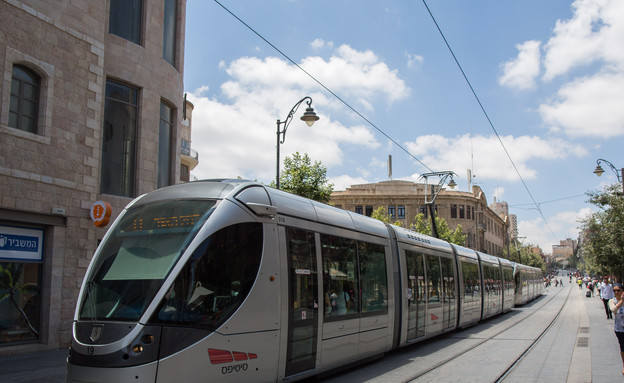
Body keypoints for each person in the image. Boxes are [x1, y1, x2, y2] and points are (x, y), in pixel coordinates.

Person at [609, 283, 624, 375]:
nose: (616, 292)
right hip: (619, 329)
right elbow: (613, 310)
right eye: (614, 290)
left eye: (618, 290)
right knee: (623, 347)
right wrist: (621, 301)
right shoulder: (612, 300)